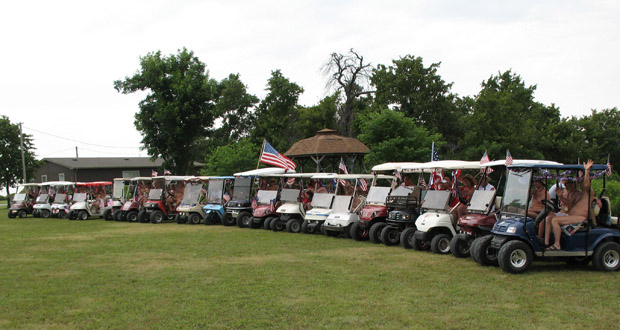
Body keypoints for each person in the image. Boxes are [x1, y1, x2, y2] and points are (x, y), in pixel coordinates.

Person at [544, 160, 595, 250]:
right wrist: (560, 196)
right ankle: (546, 242)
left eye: (581, 180)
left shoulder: (588, 191)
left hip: (580, 217)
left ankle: (557, 244)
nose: (580, 182)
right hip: (572, 215)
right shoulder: (580, 193)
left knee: (555, 220)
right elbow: (568, 204)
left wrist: (587, 171)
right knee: (549, 218)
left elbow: (586, 185)